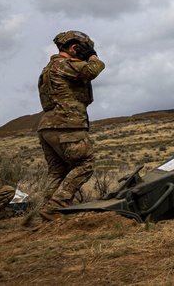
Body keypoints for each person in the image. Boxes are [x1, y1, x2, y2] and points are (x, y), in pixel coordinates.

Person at [36, 30, 105, 220]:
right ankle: (54, 209)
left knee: (58, 172)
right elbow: (92, 70)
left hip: (48, 126)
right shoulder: (64, 65)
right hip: (68, 124)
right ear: (74, 48)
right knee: (85, 164)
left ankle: (44, 214)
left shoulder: (48, 69)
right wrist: (92, 56)